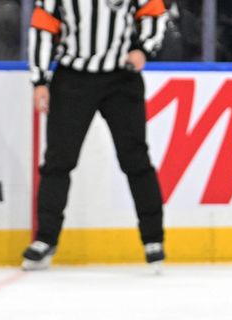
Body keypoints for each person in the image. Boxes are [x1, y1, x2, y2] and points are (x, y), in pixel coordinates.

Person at [23, 0, 169, 270]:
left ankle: (153, 239)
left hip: (121, 79)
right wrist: (40, 80)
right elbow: (43, 27)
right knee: (58, 160)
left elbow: (154, 11)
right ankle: (45, 239)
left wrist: (144, 48)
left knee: (135, 158)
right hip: (73, 78)